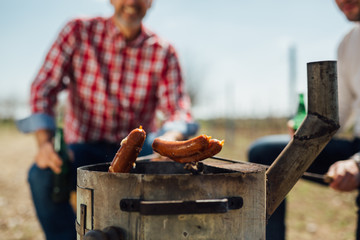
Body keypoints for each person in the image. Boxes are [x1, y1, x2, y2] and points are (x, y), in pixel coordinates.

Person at [16, 0, 198, 239]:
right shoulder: (77, 31)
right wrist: (45, 144)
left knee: (176, 173)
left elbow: (178, 109)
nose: (132, 2)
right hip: (81, 149)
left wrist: (170, 139)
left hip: (139, 153)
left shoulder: (164, 52)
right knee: (41, 175)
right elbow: (43, 87)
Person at [248, 0, 360, 239]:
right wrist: (308, 129)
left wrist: (357, 163)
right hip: (356, 147)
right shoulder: (349, 43)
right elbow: (339, 114)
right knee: (262, 154)